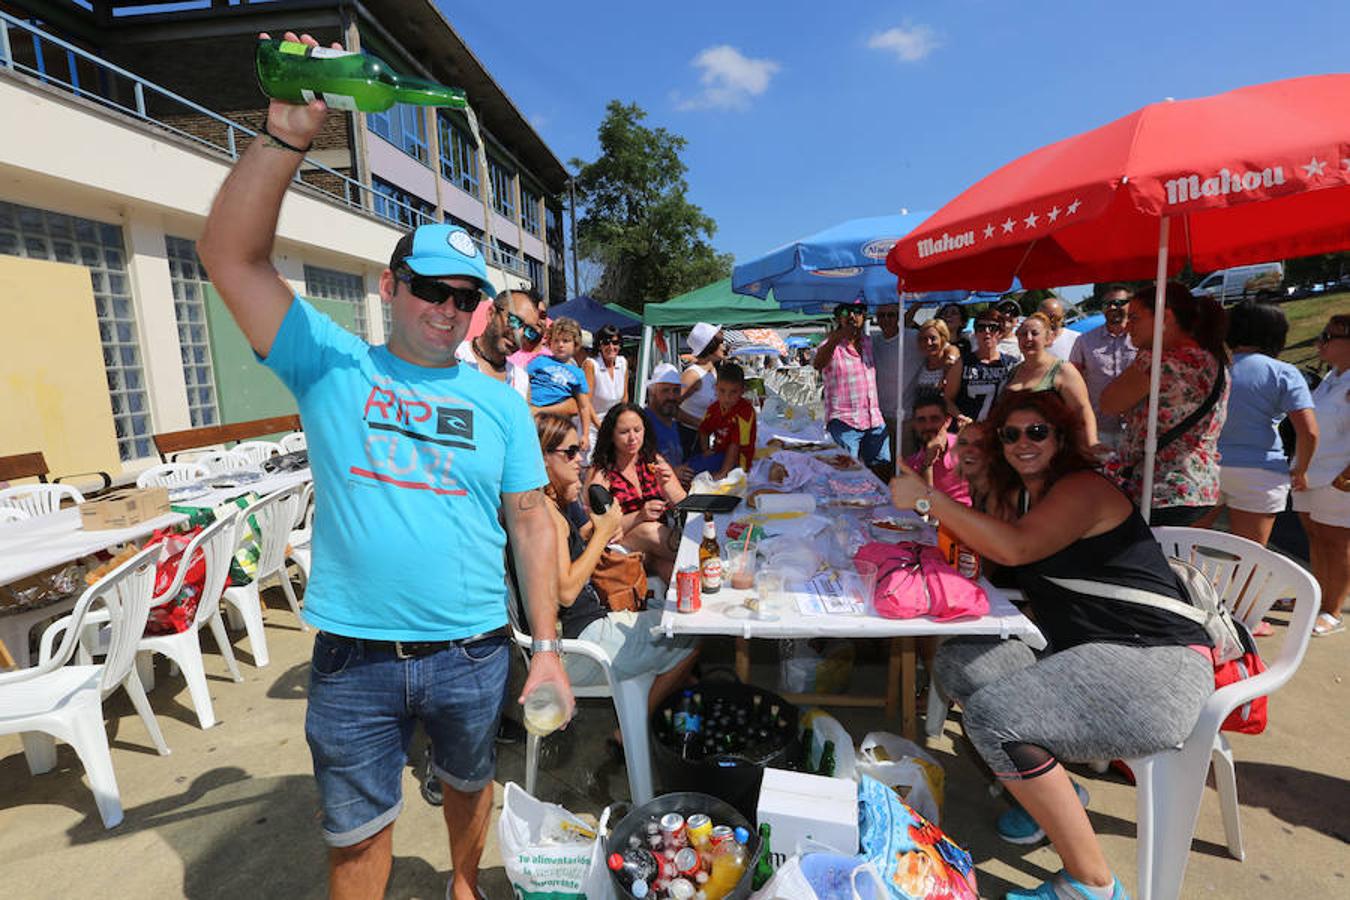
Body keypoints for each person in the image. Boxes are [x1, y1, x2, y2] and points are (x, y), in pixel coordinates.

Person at [195, 35, 572, 898]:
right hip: (355, 659)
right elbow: (230, 256)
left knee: (471, 784)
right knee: (358, 835)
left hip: (474, 651)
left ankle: (465, 884)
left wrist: (545, 649)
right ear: (392, 285)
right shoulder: (331, 364)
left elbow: (530, 520)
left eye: (464, 297)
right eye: (431, 289)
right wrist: (286, 136)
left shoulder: (500, 402)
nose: (447, 310)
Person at [890, 391, 1212, 900]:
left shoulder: (1082, 489)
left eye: (1037, 431)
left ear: (1061, 438)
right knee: (959, 661)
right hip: (1089, 652)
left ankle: (1092, 884)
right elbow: (992, 561)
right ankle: (1046, 794)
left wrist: (931, 499)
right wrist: (970, 488)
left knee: (995, 715)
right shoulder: (1021, 495)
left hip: (1156, 665)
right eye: (1010, 434)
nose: (1023, 443)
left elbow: (1017, 548)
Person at [536, 413, 699, 748]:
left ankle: (665, 693)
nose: (579, 458)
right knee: (691, 634)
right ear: (542, 458)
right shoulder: (546, 515)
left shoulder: (557, 503)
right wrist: (607, 532)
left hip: (594, 620)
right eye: (570, 453)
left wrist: (597, 524)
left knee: (679, 608)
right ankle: (633, 726)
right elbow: (566, 592)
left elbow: (575, 541)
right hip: (583, 643)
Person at [1101, 284, 1229, 526]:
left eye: (1135, 318)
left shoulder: (1157, 361)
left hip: (1157, 489)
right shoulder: (1215, 361)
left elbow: (1109, 402)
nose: (1127, 326)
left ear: (1165, 317)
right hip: (1199, 487)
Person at [1196, 301, 1317, 548]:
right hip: (1261, 470)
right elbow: (1309, 432)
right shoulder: (1284, 372)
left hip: (1207, 467)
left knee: (1185, 546)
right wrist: (1300, 469)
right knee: (1249, 557)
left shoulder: (1211, 370)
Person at [588, 403, 688, 582]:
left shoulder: (652, 460)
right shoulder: (602, 474)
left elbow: (685, 504)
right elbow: (599, 530)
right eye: (624, 432)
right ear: (611, 435)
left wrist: (667, 488)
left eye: (637, 430)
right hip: (622, 546)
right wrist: (639, 516)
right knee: (647, 530)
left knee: (667, 568)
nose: (632, 438)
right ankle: (698, 556)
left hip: (657, 546)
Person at [1297, 315, 1350, 637]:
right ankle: (1318, 595)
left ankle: (1332, 610)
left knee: (1338, 542)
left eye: (1328, 336)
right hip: (1312, 472)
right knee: (1317, 536)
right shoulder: (1331, 378)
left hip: (1338, 475)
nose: (1320, 342)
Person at [814, 299, 892, 472]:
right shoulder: (830, 346)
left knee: (882, 470)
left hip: (874, 419)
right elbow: (817, 364)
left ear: (864, 316)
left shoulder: (870, 343)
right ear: (837, 318)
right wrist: (835, 338)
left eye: (857, 311)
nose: (851, 316)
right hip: (844, 422)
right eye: (844, 312)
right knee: (846, 475)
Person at [1003, 312, 1099, 447]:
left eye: (1034, 333)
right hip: (1018, 448)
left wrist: (1091, 443)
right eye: (1023, 334)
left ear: (1048, 338)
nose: (1028, 338)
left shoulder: (1063, 370)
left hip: (1055, 450)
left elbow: (1082, 410)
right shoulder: (1014, 372)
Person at [1069, 286, 1137, 450]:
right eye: (1107, 304)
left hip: (1135, 428)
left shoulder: (1143, 338)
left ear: (1131, 305)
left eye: (1119, 303)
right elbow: (1073, 382)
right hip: (1099, 429)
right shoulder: (1084, 341)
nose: (1113, 308)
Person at [455, 288, 540, 400]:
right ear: (491, 313)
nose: (519, 335)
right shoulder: (453, 356)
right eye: (514, 321)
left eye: (529, 332)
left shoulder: (521, 380)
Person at [528, 317, 597, 450]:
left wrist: (585, 434)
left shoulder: (578, 373)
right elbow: (523, 381)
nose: (560, 345)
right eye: (556, 340)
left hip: (555, 421)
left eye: (566, 341)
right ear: (549, 343)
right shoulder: (540, 361)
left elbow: (584, 406)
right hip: (531, 412)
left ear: (575, 344)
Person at [947, 308, 1017, 425]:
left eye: (993, 328)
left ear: (1000, 333)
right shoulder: (963, 362)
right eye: (981, 328)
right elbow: (947, 398)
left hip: (995, 430)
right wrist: (959, 416)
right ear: (975, 333)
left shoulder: (1010, 364)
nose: (987, 332)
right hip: (967, 429)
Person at [875, 301, 924, 458]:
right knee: (884, 465)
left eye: (891, 315)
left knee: (906, 465)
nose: (886, 319)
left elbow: (938, 342)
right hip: (879, 417)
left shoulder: (913, 337)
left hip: (905, 417)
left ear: (898, 317)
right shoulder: (874, 341)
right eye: (882, 315)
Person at [691, 361, 758, 478]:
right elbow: (704, 430)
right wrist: (706, 450)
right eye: (722, 391)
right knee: (690, 466)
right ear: (716, 388)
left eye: (734, 392)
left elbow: (735, 446)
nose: (727, 398)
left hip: (739, 461)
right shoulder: (714, 408)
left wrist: (723, 473)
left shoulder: (745, 412)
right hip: (719, 454)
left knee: (691, 470)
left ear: (742, 391)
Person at [905, 391, 971, 505]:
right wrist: (928, 464)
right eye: (921, 420)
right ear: (914, 424)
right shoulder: (912, 465)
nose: (928, 426)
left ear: (947, 421)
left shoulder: (967, 449)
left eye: (934, 419)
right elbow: (923, 508)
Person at [678, 321, 727, 455]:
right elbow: (671, 407)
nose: (724, 347)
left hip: (705, 438)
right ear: (710, 347)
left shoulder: (712, 371)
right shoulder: (692, 375)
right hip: (690, 440)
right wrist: (700, 424)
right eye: (720, 344)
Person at [644, 363, 694, 486]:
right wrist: (672, 472)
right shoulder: (643, 423)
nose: (671, 396)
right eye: (665, 390)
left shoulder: (672, 423)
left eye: (676, 391)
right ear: (653, 392)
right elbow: (638, 468)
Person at [583, 324, 629, 454]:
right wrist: (601, 428)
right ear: (599, 345)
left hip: (614, 426)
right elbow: (586, 402)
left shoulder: (623, 362)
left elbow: (624, 398)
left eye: (615, 343)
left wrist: (620, 423)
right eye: (606, 343)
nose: (611, 347)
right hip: (593, 427)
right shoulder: (591, 365)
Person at [914, 318, 962, 402]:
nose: (928, 343)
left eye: (933, 338)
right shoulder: (921, 362)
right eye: (924, 339)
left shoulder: (950, 364)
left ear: (942, 338)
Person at [1039, 296, 1080, 360]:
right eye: (1046, 317)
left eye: (1056, 318)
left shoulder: (1077, 339)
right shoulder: (1030, 339)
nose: (1051, 321)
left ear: (1063, 317)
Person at [995, 298, 1025, 362]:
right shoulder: (982, 337)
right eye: (1002, 310)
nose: (1007, 315)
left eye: (1014, 313)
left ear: (1017, 321)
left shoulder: (1021, 344)